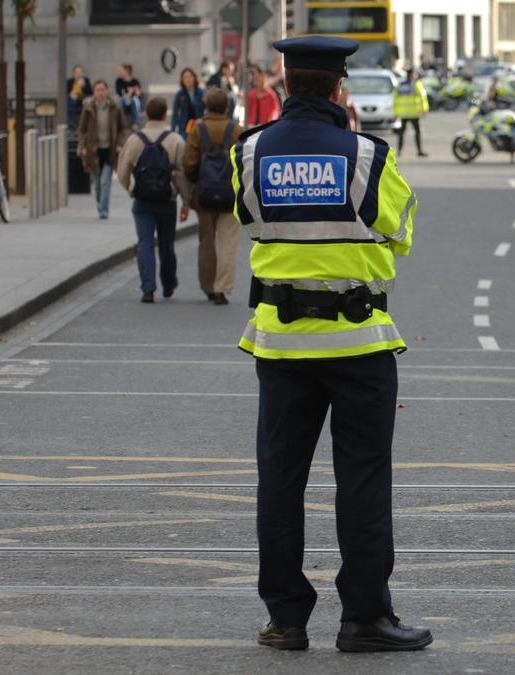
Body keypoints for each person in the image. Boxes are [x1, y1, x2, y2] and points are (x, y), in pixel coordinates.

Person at [232, 35, 431, 654]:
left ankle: (286, 619)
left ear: (284, 85)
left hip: (282, 344)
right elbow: (399, 233)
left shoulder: (251, 152)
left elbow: (248, 220)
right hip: (358, 343)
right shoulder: (367, 156)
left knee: (280, 480)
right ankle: (365, 619)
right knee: (363, 479)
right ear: (340, 89)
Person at [117, 98, 189, 303]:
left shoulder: (134, 140)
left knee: (145, 243)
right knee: (167, 244)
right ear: (165, 113)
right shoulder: (175, 139)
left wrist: (131, 189)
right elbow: (183, 172)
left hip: (142, 201)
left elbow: (122, 171)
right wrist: (181, 197)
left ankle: (148, 287)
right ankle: (168, 284)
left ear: (147, 114)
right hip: (166, 200)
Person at [184, 88, 244, 306]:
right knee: (228, 242)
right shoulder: (237, 130)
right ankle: (222, 288)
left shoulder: (198, 130)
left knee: (207, 242)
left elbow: (188, 163)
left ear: (207, 106)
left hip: (205, 194)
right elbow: (246, 161)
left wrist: (197, 181)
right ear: (227, 106)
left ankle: (208, 286)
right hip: (230, 193)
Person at [77, 80, 127, 220]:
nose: (100, 93)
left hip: (109, 149)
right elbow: (81, 129)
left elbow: (123, 128)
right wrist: (83, 145)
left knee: (106, 181)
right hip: (93, 150)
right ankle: (100, 202)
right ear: (94, 92)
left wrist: (120, 143)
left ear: (107, 91)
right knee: (97, 183)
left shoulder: (115, 108)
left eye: (102, 90)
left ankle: (103, 210)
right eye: (97, 90)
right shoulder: (88, 108)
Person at [393, 69, 429, 158]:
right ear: (412, 74)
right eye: (415, 74)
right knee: (417, 132)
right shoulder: (417, 84)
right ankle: (419, 151)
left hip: (403, 113)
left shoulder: (400, 85)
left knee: (401, 133)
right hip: (414, 113)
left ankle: (399, 151)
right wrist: (425, 109)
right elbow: (422, 98)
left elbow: (395, 99)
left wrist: (395, 113)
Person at [172, 68, 205, 137]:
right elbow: (175, 113)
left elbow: (208, 109)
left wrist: (203, 119)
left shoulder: (201, 92)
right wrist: (173, 131)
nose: (188, 79)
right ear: (182, 80)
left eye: (190, 76)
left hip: (200, 127)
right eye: (185, 77)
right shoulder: (179, 94)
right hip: (184, 128)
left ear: (194, 78)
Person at [115, 64, 143, 129]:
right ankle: (135, 123)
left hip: (134, 103)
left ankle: (135, 123)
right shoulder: (118, 81)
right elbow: (119, 93)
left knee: (132, 100)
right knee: (125, 99)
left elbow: (138, 94)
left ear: (127, 71)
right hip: (124, 103)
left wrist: (131, 92)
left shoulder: (135, 81)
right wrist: (130, 92)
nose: (119, 73)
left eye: (120, 71)